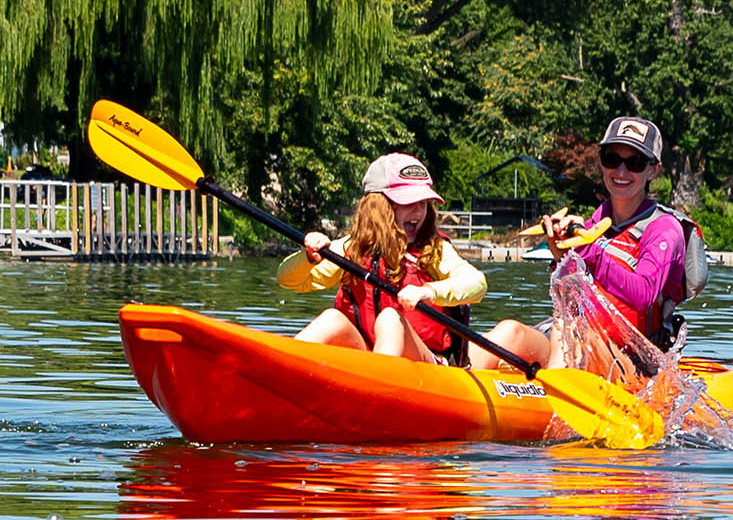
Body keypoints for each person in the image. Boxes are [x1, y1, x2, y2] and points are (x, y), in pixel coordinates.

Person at [483, 115, 696, 372]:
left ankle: (555, 391)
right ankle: (453, 375)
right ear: (601, 161)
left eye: (635, 163)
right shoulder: (596, 221)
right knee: (510, 332)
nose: (621, 172)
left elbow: (643, 295)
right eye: (612, 159)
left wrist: (588, 251)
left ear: (653, 170)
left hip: (633, 364)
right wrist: (560, 253)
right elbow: (573, 298)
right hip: (581, 342)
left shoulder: (664, 229)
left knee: (570, 331)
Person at [278, 153, 486, 365]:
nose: (418, 210)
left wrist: (429, 292)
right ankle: (281, 365)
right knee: (332, 319)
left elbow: (477, 283)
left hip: (425, 363)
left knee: (390, 319)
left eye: (423, 202)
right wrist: (308, 257)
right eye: (408, 202)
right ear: (379, 207)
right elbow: (287, 280)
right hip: (367, 355)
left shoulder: (434, 250)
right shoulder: (352, 248)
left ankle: (376, 378)